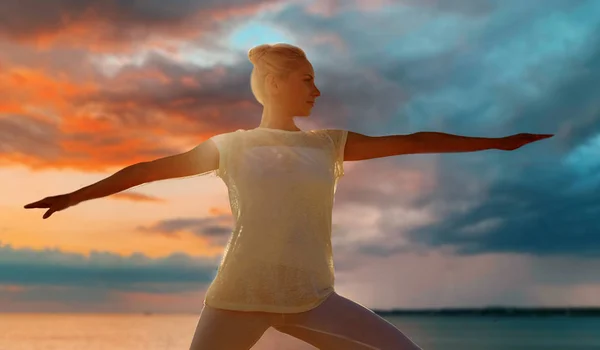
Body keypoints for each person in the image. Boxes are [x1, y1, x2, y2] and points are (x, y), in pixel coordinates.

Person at [24, 43, 552, 349]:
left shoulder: (329, 146)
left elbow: (413, 141)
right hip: (238, 293)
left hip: (312, 294)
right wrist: (74, 196)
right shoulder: (229, 148)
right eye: (307, 80)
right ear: (275, 83)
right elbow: (145, 171)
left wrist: (496, 143)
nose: (316, 92)